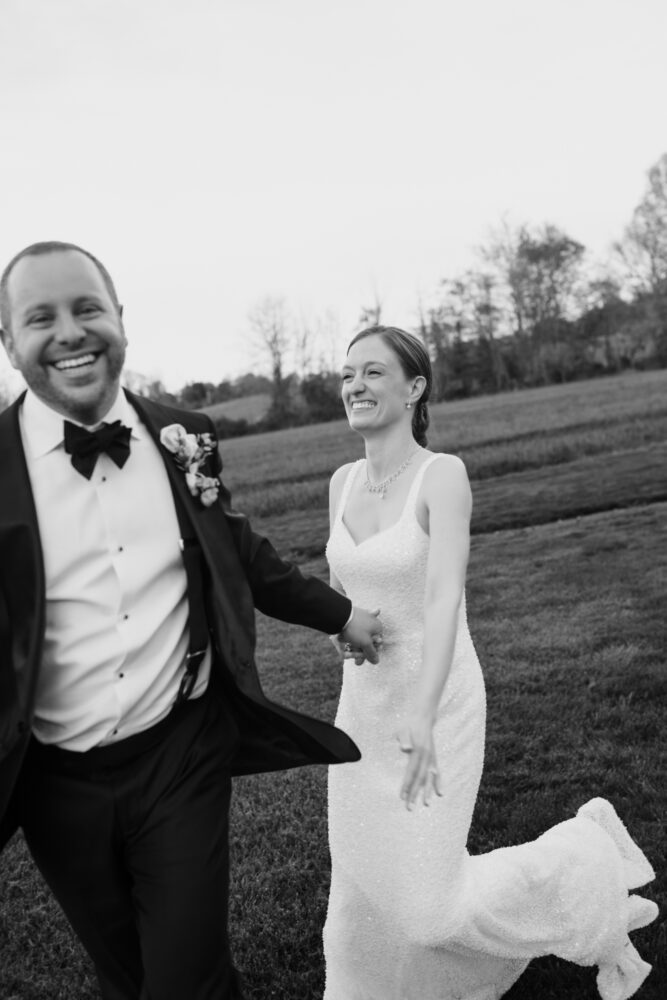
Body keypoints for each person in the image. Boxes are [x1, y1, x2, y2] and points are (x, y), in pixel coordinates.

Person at [0, 240, 383, 1000]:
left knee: (183, 977)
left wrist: (341, 614)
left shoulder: (184, 437)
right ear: (11, 344)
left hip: (179, 753)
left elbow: (240, 551)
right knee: (130, 975)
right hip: (52, 783)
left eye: (88, 308)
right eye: (40, 317)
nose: (70, 331)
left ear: (120, 321)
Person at [322, 325, 658, 1000]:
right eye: (346, 374)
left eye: (373, 373)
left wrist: (420, 710)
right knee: (355, 897)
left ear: (414, 388)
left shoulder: (440, 475)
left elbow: (444, 599)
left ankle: (582, 862)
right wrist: (342, 630)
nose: (354, 386)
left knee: (427, 910)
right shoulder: (340, 481)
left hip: (435, 700)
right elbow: (345, 592)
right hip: (360, 709)